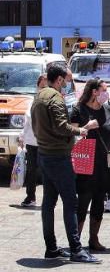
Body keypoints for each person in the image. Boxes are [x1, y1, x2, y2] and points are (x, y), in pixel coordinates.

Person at [32, 64, 99, 263]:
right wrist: (81, 130)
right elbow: (62, 126)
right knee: (70, 202)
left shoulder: (39, 95)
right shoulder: (54, 98)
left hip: (44, 154)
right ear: (59, 80)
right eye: (67, 81)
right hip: (58, 157)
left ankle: (51, 248)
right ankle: (76, 249)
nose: (68, 85)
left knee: (48, 203)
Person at [70, 78, 110, 251]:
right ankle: (76, 241)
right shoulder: (78, 110)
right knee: (83, 200)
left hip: (105, 162)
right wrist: (87, 126)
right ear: (94, 92)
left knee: (99, 201)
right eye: (104, 90)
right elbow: (71, 137)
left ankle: (94, 239)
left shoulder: (108, 110)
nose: (106, 93)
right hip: (86, 161)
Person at [18, 74, 48, 207]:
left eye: (45, 83)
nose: (42, 86)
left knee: (46, 170)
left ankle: (48, 198)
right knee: (31, 170)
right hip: (32, 141)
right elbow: (27, 121)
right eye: (41, 84)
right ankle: (31, 196)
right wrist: (22, 137)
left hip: (46, 142)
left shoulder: (51, 100)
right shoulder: (33, 101)